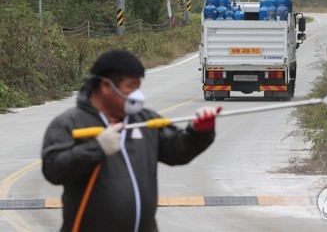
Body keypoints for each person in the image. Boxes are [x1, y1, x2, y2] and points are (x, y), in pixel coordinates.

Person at [41, 50, 220, 232]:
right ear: (106, 86)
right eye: (131, 86)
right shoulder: (70, 124)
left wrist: (199, 132)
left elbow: (177, 151)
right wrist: (96, 148)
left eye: (138, 87)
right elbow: (53, 170)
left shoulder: (145, 121)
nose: (137, 95)